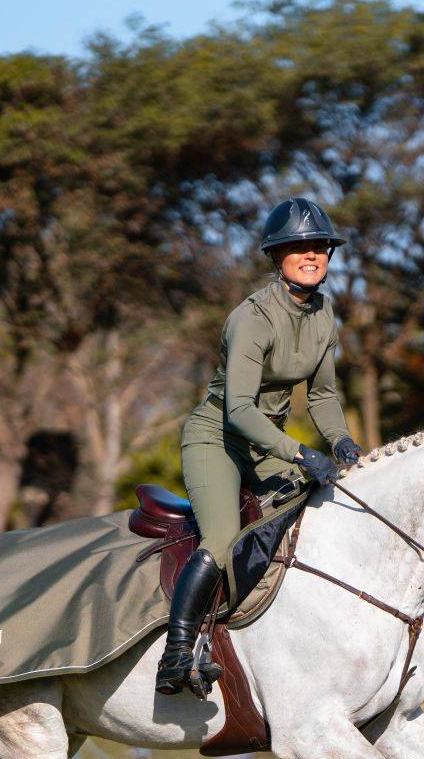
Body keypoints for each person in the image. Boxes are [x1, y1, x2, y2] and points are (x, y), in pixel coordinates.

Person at [155, 198, 363, 697]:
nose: (311, 256)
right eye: (298, 248)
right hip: (218, 438)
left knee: (317, 511)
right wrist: (300, 453)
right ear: (278, 257)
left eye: (319, 247)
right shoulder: (251, 318)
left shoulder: (323, 313)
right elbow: (240, 411)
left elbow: (323, 395)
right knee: (224, 536)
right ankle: (177, 652)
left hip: (267, 441)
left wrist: (342, 442)